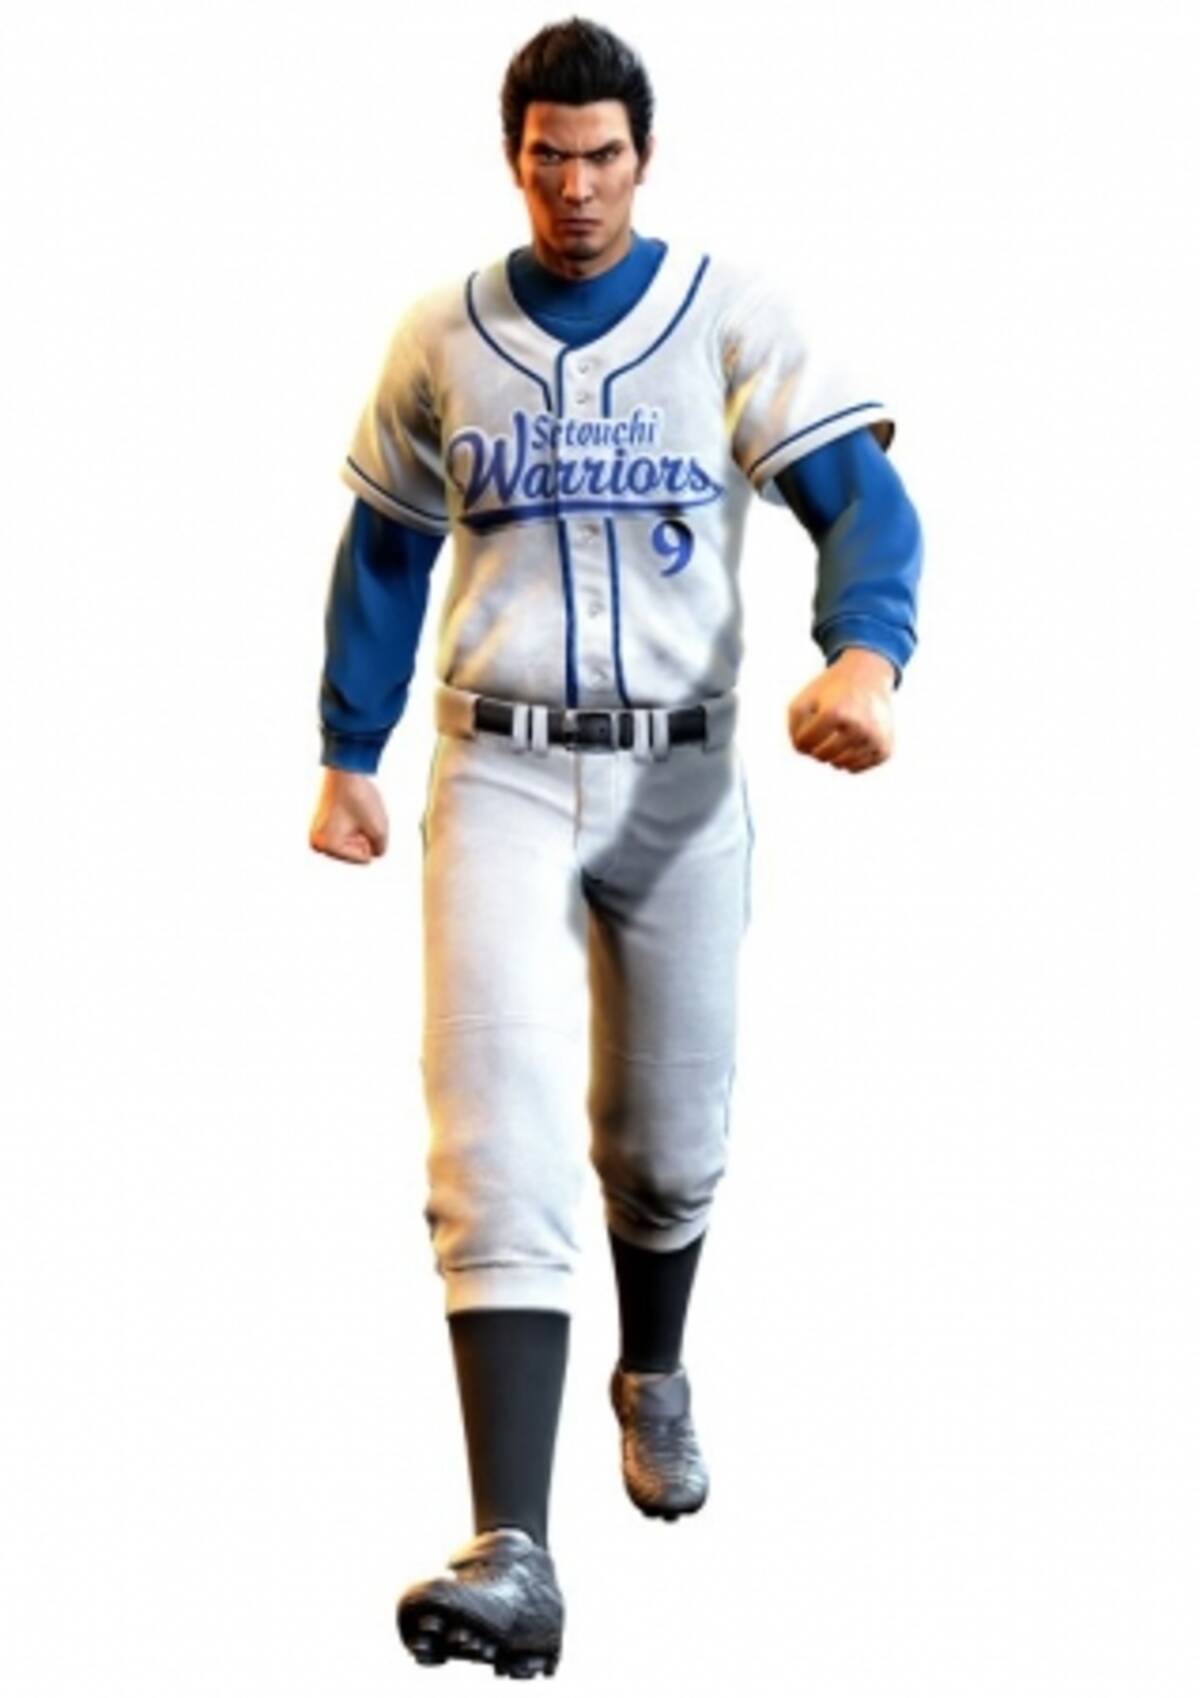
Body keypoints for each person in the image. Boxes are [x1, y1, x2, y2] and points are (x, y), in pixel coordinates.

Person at [307, 16, 923, 1680]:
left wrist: (866, 654)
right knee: (489, 1135)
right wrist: (347, 750)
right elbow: (385, 546)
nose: (575, 187)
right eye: (547, 158)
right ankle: (513, 1545)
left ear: (643, 158)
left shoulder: (726, 308)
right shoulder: (443, 329)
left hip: (676, 774)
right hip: (496, 765)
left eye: (601, 156)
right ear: (513, 159)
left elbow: (862, 498)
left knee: (664, 1137)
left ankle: (652, 1369)